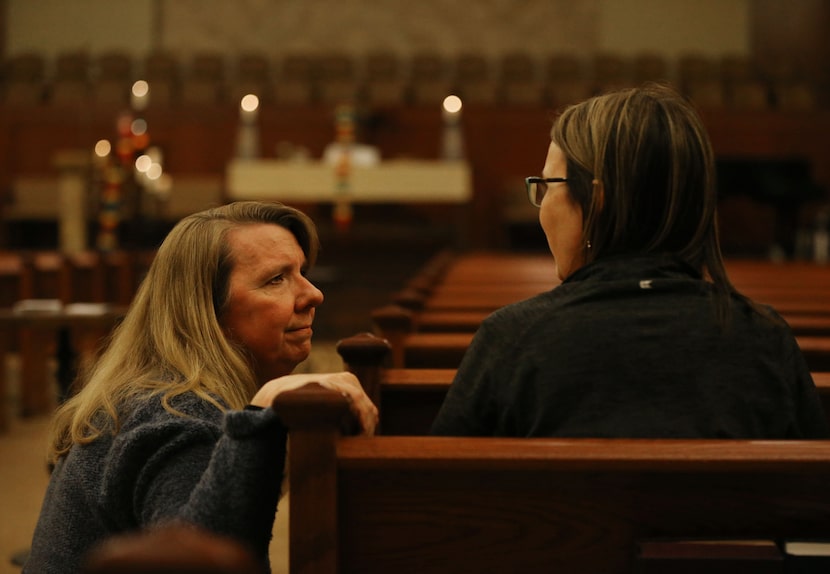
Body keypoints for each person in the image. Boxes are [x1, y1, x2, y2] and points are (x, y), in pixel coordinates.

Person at [430, 83, 830, 439]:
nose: (542, 206)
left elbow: (437, 491)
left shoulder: (513, 339)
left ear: (597, 198)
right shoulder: (763, 339)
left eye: (547, 186)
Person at [25, 201, 378, 573]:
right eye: (276, 279)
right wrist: (263, 412)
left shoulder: (169, 390)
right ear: (206, 311)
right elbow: (196, 561)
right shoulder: (175, 412)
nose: (313, 294)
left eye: (302, 272)